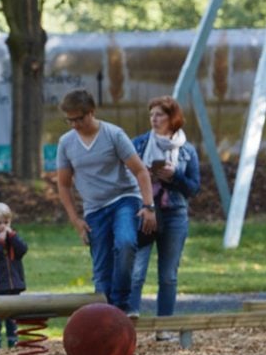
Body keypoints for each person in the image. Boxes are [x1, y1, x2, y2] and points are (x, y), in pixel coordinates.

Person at [55, 88, 157, 315]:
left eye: (78, 119)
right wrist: (76, 220)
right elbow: (63, 184)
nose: (74, 125)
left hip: (124, 198)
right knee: (101, 267)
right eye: (68, 120)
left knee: (126, 243)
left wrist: (148, 206)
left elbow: (140, 171)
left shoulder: (113, 134)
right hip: (94, 208)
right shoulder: (66, 143)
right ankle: (104, 315)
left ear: (91, 112)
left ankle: (121, 303)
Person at [127, 96, 201, 340]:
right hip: (145, 211)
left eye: (160, 115)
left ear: (172, 118)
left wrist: (174, 175)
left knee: (168, 275)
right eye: (151, 115)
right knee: (137, 271)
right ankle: (129, 326)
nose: (154, 119)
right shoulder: (138, 145)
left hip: (174, 215)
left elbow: (193, 187)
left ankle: (164, 327)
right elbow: (125, 178)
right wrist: (145, 176)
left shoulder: (187, 150)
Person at [0, 201, 27, 347]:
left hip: (13, 284)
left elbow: (22, 250)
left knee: (12, 316)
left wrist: (12, 237)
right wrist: (0, 243)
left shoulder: (13, 237)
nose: (3, 226)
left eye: (6, 222)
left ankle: (13, 340)